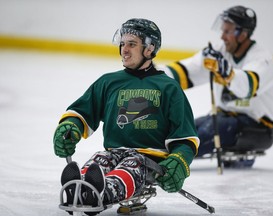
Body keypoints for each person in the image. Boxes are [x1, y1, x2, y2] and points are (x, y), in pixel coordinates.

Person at [53, 18, 199, 214]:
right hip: (114, 152)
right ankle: (81, 187)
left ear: (149, 49)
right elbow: (81, 112)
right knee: (100, 159)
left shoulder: (169, 87)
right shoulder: (108, 82)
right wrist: (70, 126)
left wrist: (179, 161)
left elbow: (185, 137)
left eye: (132, 44)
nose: (124, 50)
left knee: (132, 166)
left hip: (148, 160)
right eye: (122, 44)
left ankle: (102, 192)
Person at [159, 6, 273, 160]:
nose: (222, 37)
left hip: (257, 128)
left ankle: (167, 160)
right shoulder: (220, 50)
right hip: (222, 118)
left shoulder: (262, 59)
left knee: (202, 135)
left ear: (242, 34)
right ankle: (154, 151)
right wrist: (156, 77)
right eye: (222, 31)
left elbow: (247, 86)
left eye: (227, 32)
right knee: (182, 130)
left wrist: (229, 74)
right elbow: (188, 71)